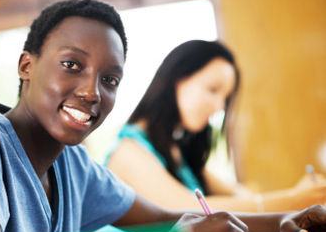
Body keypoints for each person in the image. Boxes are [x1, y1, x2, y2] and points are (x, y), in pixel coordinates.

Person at [0, 0, 326, 232]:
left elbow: (170, 219)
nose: (92, 92)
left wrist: (285, 219)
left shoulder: (72, 165)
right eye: (72, 64)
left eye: (110, 79)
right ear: (26, 66)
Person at [105, 40, 326, 212]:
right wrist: (293, 200)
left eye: (225, 97)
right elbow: (188, 210)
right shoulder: (129, 150)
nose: (220, 106)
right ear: (176, 79)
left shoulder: (176, 150)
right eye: (212, 90)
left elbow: (241, 196)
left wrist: (302, 198)